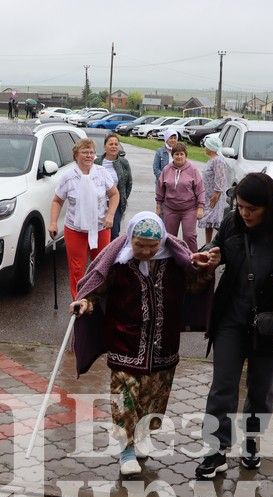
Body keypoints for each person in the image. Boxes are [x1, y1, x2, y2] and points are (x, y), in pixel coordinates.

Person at [195, 172, 273, 479]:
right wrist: (211, 255)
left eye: (251, 209)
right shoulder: (232, 223)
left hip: (270, 324)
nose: (244, 213)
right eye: (240, 206)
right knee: (223, 387)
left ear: (268, 205)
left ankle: (251, 444)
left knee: (260, 390)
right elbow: (218, 246)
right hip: (230, 318)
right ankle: (216, 450)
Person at [72, 212, 219, 476]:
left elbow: (196, 286)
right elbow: (94, 290)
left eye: (152, 246)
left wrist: (208, 268)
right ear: (130, 239)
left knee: (154, 398)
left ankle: (142, 435)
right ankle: (126, 448)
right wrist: (85, 303)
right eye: (140, 245)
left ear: (162, 241)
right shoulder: (117, 263)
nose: (146, 251)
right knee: (124, 398)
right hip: (124, 343)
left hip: (164, 344)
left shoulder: (175, 261)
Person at [48, 138, 120, 297]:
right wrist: (53, 223)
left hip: (100, 228)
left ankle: (98, 301)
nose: (89, 155)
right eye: (85, 152)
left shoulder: (102, 173)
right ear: (76, 155)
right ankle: (78, 300)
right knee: (77, 269)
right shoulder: (68, 177)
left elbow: (114, 194)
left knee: (101, 266)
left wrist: (110, 215)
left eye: (91, 152)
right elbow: (57, 201)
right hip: (75, 229)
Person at [156, 142, 205, 252]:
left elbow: (200, 190)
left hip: (189, 209)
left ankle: (193, 259)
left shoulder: (193, 170)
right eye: (176, 154)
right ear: (172, 156)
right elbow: (160, 189)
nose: (179, 156)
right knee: (169, 237)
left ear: (186, 155)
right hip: (170, 209)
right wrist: (158, 205)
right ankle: (169, 260)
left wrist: (200, 207)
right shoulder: (166, 170)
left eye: (181, 154)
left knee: (189, 236)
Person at [94, 133, 133, 240]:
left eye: (116, 144)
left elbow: (128, 183)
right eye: (111, 144)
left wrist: (122, 198)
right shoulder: (97, 162)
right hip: (98, 203)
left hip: (116, 204)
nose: (114, 146)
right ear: (105, 147)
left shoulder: (124, 163)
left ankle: (112, 255)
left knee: (114, 233)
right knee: (98, 232)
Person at [197, 135, 229, 245]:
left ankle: (217, 244)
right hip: (208, 195)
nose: (205, 148)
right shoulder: (211, 160)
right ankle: (208, 244)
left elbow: (220, 178)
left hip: (215, 197)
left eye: (206, 146)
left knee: (214, 221)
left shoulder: (218, 160)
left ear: (211, 148)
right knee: (208, 222)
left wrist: (216, 193)